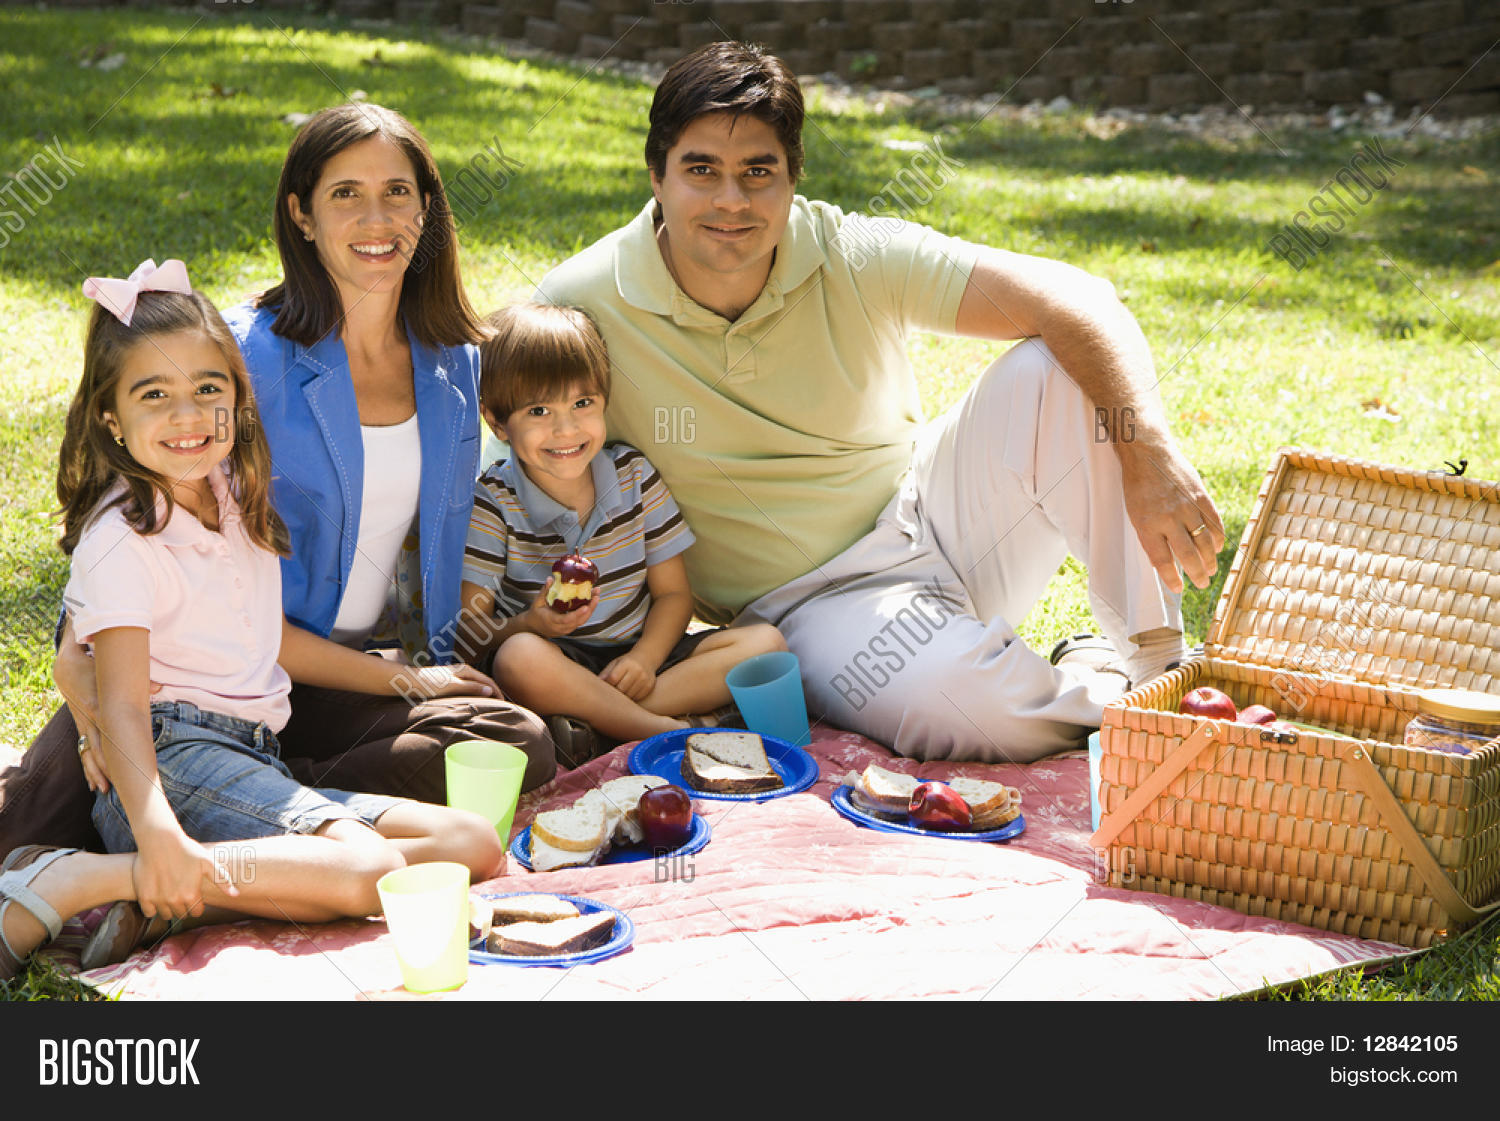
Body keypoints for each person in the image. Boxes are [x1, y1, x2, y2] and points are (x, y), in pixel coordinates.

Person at [536, 41, 1227, 764]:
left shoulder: (852, 251)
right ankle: (1103, 693)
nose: (731, 200)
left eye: (758, 172)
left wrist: (1146, 452)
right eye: (701, 170)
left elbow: (1080, 299)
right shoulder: (582, 302)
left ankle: (1157, 664)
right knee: (982, 710)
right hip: (814, 606)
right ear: (656, 175)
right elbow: (519, 459)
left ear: (793, 179)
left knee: (1056, 365)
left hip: (939, 513)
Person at [0, 102, 554, 861]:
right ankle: (237, 809)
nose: (377, 217)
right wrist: (75, 663)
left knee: (516, 739)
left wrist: (421, 677)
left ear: (428, 208)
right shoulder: (244, 355)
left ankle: (268, 797)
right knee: (24, 831)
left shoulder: (453, 363)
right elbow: (129, 494)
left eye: (398, 191)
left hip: (334, 681)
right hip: (185, 684)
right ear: (300, 214)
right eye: (345, 194)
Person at [0, 264, 503, 981]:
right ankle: (91, 877)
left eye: (210, 388)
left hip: (249, 755)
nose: (189, 415)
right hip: (172, 763)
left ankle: (184, 894)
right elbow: (122, 703)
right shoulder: (122, 535)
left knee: (471, 839)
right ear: (110, 418)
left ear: (238, 395)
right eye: (155, 396)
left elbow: (272, 641)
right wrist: (158, 831)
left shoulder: (230, 492)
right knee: (370, 869)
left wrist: (408, 677)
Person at [456, 303, 786, 758]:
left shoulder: (635, 477)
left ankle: (599, 725)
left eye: (582, 403)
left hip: (643, 655)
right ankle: (671, 730)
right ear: (496, 422)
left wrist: (644, 660)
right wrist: (533, 623)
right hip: (558, 662)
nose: (566, 428)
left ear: (604, 401)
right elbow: (470, 630)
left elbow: (673, 595)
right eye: (538, 410)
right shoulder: (493, 503)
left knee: (766, 644)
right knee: (519, 659)